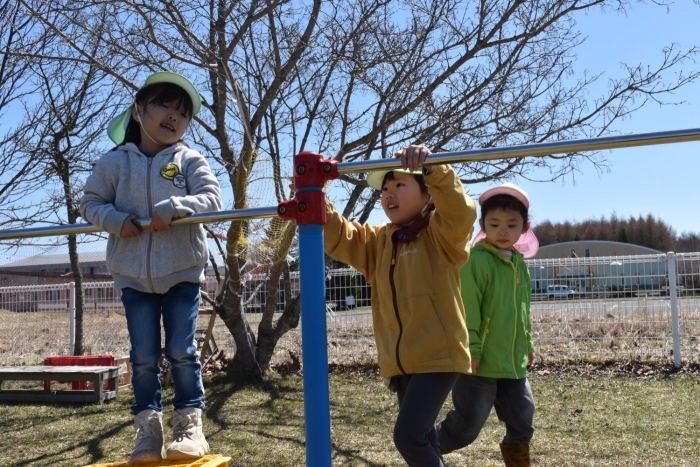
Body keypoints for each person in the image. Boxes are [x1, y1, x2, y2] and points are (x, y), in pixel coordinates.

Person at [80, 71, 222, 463]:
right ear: (139, 110)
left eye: (183, 113)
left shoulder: (188, 159)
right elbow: (90, 203)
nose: (174, 116)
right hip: (133, 276)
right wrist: (114, 219)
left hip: (181, 271)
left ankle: (190, 427)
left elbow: (212, 199)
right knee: (143, 355)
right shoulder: (113, 163)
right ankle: (148, 432)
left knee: (181, 350)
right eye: (165, 106)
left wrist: (178, 206)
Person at [322, 146, 477, 466]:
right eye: (385, 189)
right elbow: (342, 237)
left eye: (400, 185)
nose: (389, 194)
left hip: (438, 355)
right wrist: (316, 201)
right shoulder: (380, 241)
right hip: (403, 362)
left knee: (408, 437)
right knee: (425, 439)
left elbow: (460, 211)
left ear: (427, 195)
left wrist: (435, 170)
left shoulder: (441, 234)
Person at [436, 182, 539, 467]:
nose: (502, 231)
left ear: (524, 227)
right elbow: (468, 309)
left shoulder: (519, 263)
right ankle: (424, 451)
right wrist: (472, 348)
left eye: (511, 225)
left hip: (512, 361)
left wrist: (528, 344)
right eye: (494, 224)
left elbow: (522, 310)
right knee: (467, 423)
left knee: (523, 416)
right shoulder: (476, 261)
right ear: (482, 225)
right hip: (479, 363)